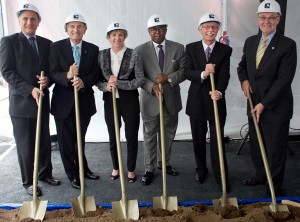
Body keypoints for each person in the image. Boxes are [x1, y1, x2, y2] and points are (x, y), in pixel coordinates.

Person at [0, 3, 60, 196]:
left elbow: (51, 71)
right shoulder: (8, 41)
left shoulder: (46, 43)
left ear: (38, 21)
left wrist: (47, 80)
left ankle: (45, 174)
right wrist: (30, 89)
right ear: (19, 21)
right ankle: (29, 181)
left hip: (42, 101)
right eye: (25, 18)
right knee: (26, 146)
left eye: (33, 19)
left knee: (43, 140)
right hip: (21, 104)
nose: (29, 22)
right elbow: (7, 72)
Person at [237, 0, 297, 195]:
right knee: (256, 144)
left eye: (271, 18)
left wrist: (264, 103)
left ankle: (274, 187)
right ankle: (260, 176)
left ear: (278, 19)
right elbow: (242, 66)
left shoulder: (288, 45)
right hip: (253, 103)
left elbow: (284, 80)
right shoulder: (250, 42)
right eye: (263, 17)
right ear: (258, 19)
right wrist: (244, 81)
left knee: (275, 149)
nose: (267, 21)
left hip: (275, 107)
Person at [49, 13, 101, 189]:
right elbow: (52, 73)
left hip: (84, 102)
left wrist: (84, 82)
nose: (75, 30)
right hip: (62, 103)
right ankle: (72, 174)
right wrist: (68, 76)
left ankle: (83, 168)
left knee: (80, 139)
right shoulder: (56, 47)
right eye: (72, 26)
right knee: (66, 141)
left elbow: (96, 73)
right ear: (66, 29)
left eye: (79, 26)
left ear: (85, 30)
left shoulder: (93, 49)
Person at [136, 14, 185, 185]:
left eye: (161, 28)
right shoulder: (139, 50)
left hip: (170, 100)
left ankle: (164, 163)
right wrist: (152, 86)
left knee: (168, 133)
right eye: (153, 29)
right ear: (149, 32)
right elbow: (138, 75)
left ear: (166, 30)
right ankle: (149, 168)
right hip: (150, 100)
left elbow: (184, 70)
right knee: (149, 134)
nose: (157, 32)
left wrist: (168, 78)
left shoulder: (178, 48)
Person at [185, 13, 232, 190]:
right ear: (200, 30)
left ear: (217, 29)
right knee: (198, 139)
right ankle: (201, 169)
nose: (210, 30)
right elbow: (187, 72)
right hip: (196, 101)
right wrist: (204, 73)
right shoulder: (190, 48)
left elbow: (225, 74)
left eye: (213, 27)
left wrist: (219, 91)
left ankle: (221, 174)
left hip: (216, 101)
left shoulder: (225, 50)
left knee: (217, 139)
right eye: (206, 27)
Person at [97, 22, 145, 183]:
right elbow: (98, 81)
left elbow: (140, 80)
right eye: (113, 35)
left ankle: (131, 169)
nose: (117, 38)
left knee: (131, 135)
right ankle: (116, 167)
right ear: (108, 37)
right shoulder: (101, 55)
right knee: (113, 136)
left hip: (130, 101)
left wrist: (120, 84)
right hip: (110, 102)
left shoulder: (134, 54)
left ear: (125, 36)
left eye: (120, 34)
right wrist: (106, 86)